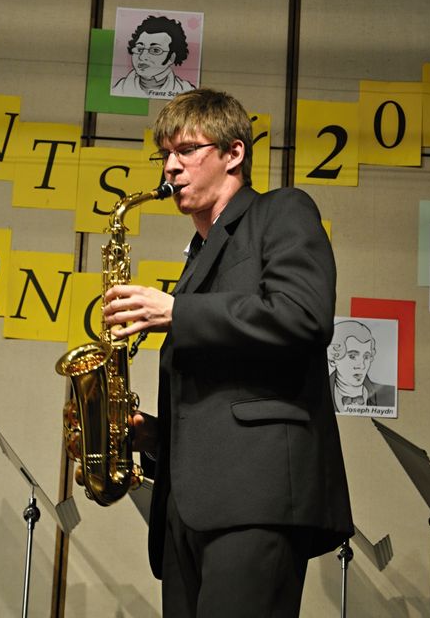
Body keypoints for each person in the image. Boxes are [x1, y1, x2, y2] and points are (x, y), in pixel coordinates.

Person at [104, 88, 354, 618]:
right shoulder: (198, 256)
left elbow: (304, 315)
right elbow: (221, 394)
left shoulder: (281, 211)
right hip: (186, 510)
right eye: (165, 154)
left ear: (234, 152)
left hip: (256, 498)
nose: (171, 167)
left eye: (187, 150)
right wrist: (153, 437)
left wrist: (178, 312)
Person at [112, 15, 196, 99]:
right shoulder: (118, 88)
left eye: (155, 50)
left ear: (171, 57)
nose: (142, 57)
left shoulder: (187, 92)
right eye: (139, 49)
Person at [327, 320, 396, 413]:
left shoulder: (390, 396)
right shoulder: (317, 394)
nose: (362, 365)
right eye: (352, 356)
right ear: (333, 359)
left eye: (366, 357)